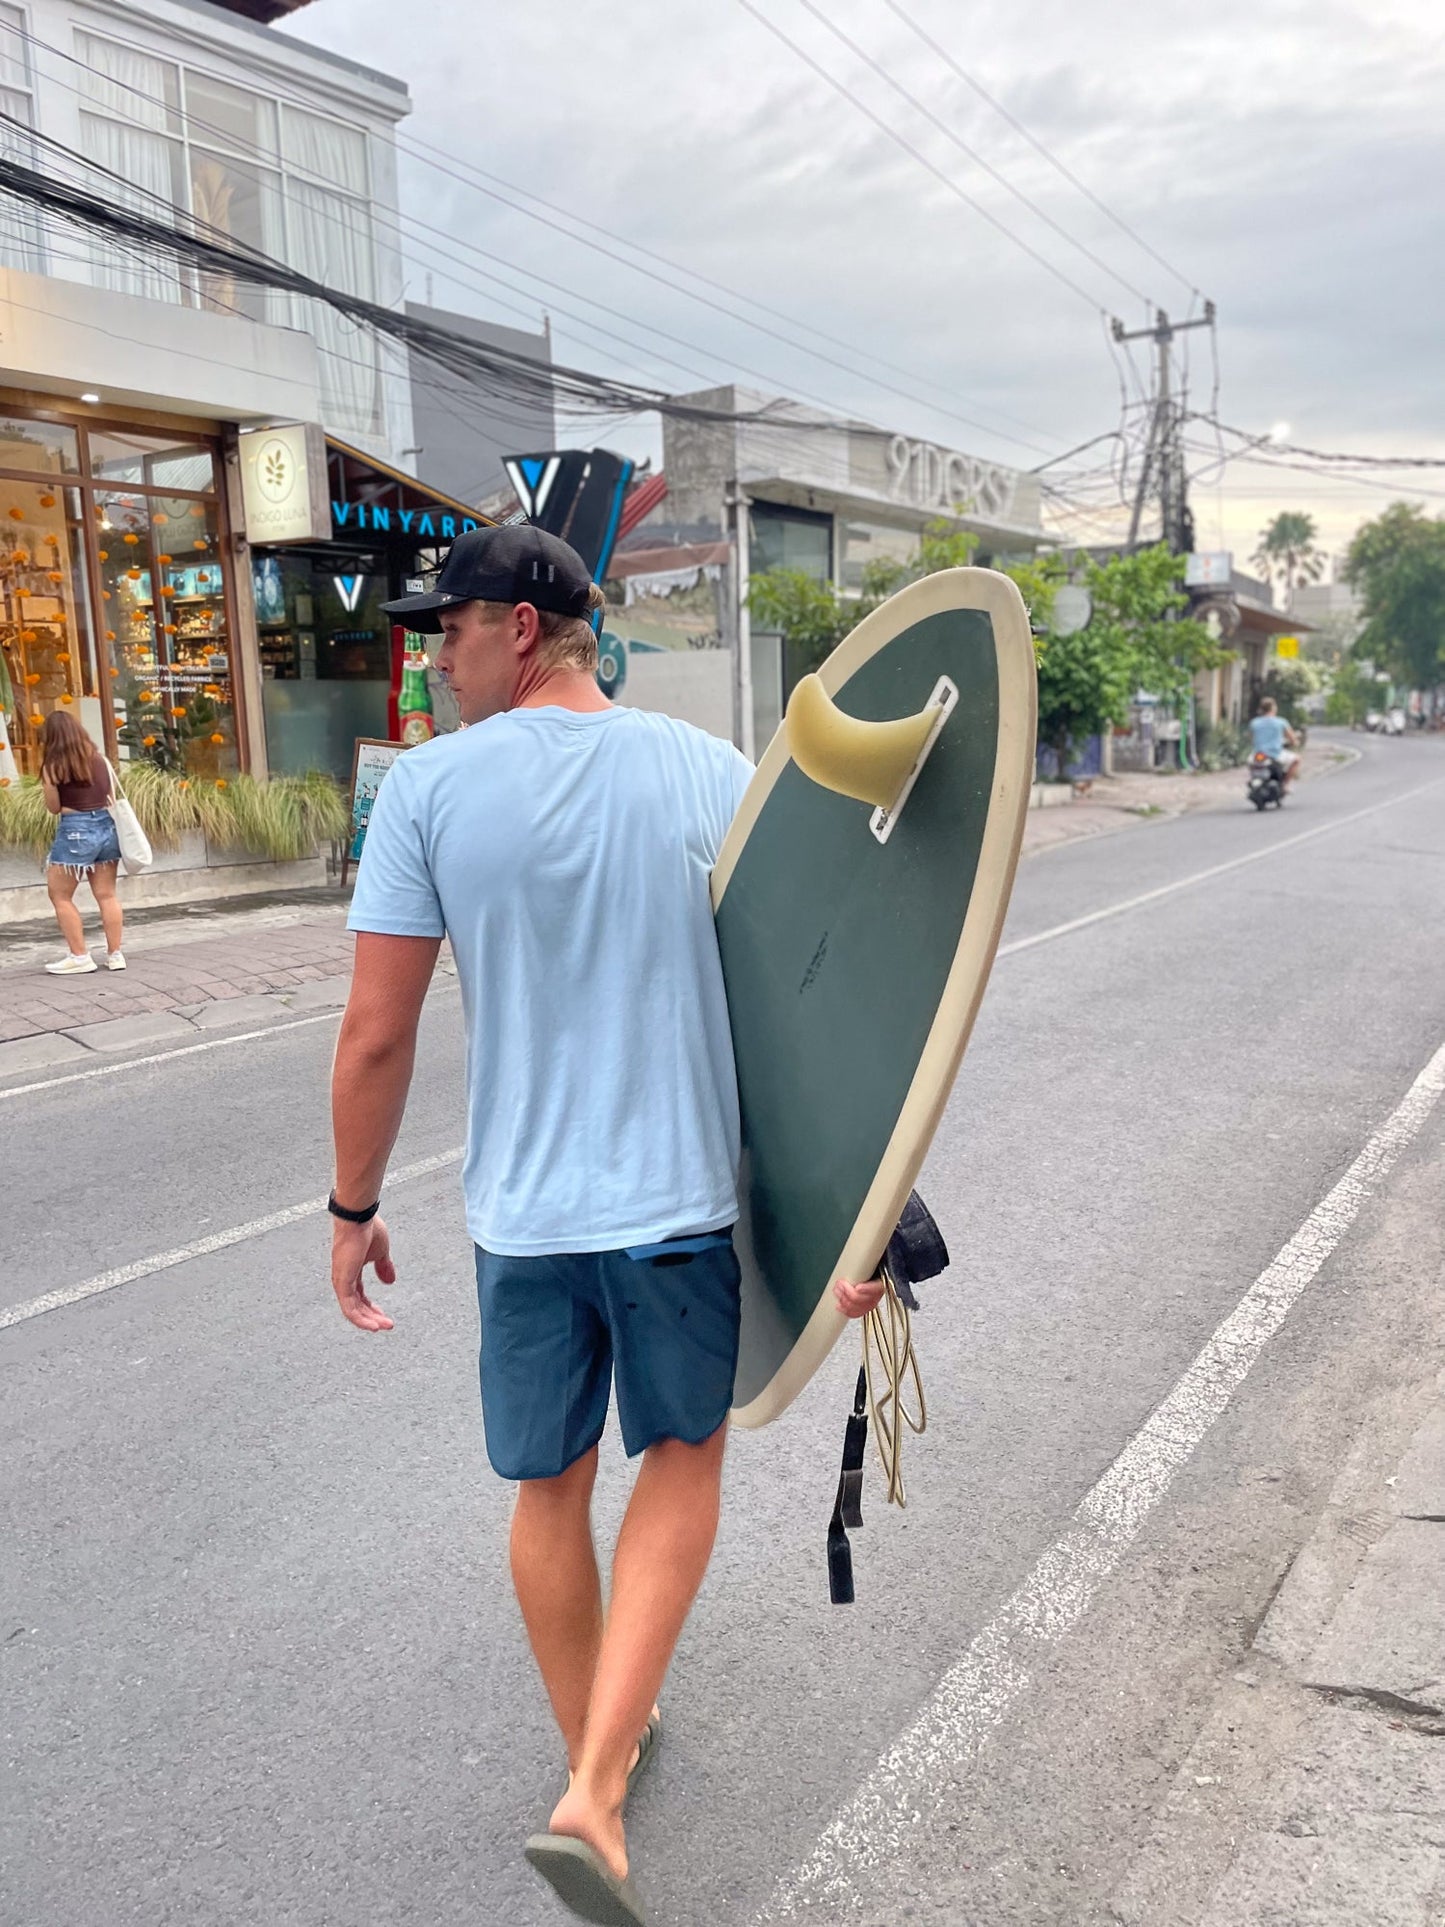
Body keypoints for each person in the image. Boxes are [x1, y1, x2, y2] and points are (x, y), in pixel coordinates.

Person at [327, 525, 884, 1927]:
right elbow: (805, 1003)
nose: (432, 654)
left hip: (523, 1216)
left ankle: (603, 1771)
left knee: (549, 1486)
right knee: (681, 1463)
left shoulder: (428, 794)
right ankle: (591, 1782)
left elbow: (376, 1034)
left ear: (520, 628)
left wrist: (352, 1206)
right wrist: (849, 1215)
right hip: (673, 1208)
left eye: (446, 628)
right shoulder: (708, 773)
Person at [37, 710, 125, 975]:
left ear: (51, 737)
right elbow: (109, 796)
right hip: (107, 829)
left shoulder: (53, 766)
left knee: (60, 895)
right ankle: (115, 954)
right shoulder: (100, 760)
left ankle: (80, 956)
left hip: (75, 830)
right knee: (107, 895)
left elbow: (54, 807)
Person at [1248, 696, 1299, 790]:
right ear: (1273, 708)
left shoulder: (1254, 722)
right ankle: (1285, 785)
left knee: (1251, 763)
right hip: (1275, 754)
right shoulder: (1281, 722)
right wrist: (1294, 742)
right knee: (1296, 760)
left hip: (1258, 754)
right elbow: (1292, 739)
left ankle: (1253, 779)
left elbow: (1251, 739)